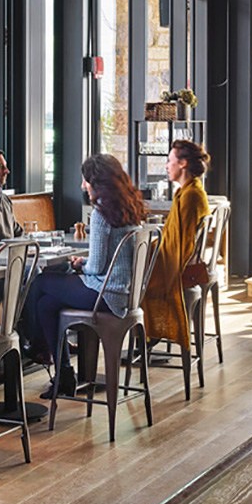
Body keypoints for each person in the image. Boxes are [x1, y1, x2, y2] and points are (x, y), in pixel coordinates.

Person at [22, 154, 146, 396]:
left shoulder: (101, 214)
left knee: (41, 280)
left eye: (85, 180)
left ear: (96, 182)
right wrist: (85, 263)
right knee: (47, 304)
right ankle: (64, 375)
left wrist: (81, 265)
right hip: (124, 294)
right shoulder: (129, 208)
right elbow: (109, 260)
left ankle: (36, 345)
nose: (82, 186)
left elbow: (97, 267)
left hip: (105, 294)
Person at [142, 138, 211, 353]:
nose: (166, 165)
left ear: (182, 164)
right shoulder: (187, 191)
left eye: (170, 160)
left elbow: (180, 245)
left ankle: (147, 337)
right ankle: (147, 337)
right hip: (186, 263)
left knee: (139, 285)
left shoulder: (190, 195)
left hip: (182, 270)